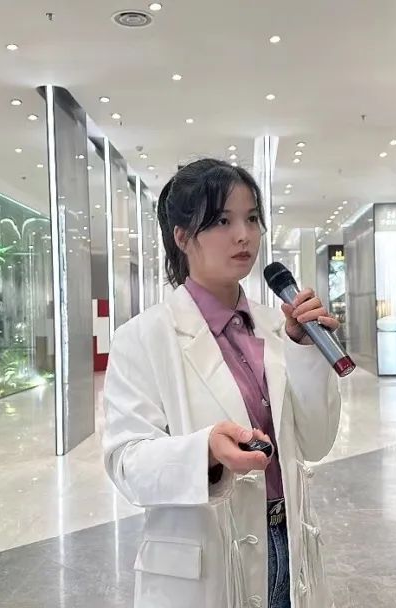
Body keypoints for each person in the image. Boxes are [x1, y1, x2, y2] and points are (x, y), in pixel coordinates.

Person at [102, 158, 342, 608]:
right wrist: (204, 452)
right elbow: (126, 463)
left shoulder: (279, 327)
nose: (244, 235)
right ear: (181, 237)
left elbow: (316, 443)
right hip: (205, 562)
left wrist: (307, 351)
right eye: (221, 221)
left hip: (289, 547)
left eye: (251, 218)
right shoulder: (143, 338)